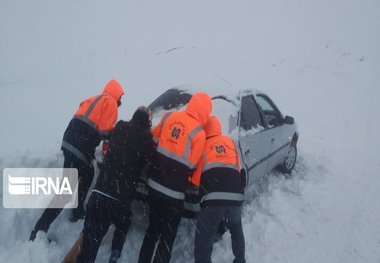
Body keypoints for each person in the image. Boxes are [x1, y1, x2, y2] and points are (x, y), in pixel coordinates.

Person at [29, 80, 124, 241]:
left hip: (69, 141)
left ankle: (77, 211)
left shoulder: (95, 98)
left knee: (87, 173)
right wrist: (109, 151)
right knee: (66, 191)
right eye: (120, 98)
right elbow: (106, 132)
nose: (120, 102)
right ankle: (38, 230)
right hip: (80, 146)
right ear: (117, 95)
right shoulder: (111, 104)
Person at [138, 92, 212, 263]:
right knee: (167, 237)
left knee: (152, 230)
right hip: (175, 194)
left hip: (154, 186)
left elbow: (154, 139)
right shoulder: (199, 134)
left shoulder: (169, 116)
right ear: (205, 112)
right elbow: (193, 165)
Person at [76, 106, 156, 263]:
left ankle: (85, 257)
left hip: (98, 193)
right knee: (124, 222)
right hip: (120, 199)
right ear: (147, 123)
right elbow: (150, 163)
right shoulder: (147, 138)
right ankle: (114, 254)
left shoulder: (120, 126)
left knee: (92, 236)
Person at [193, 116, 246, 263]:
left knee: (203, 237)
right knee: (236, 227)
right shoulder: (231, 143)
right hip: (236, 197)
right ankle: (240, 259)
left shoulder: (203, 145)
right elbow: (239, 168)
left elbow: (197, 178)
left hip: (213, 200)